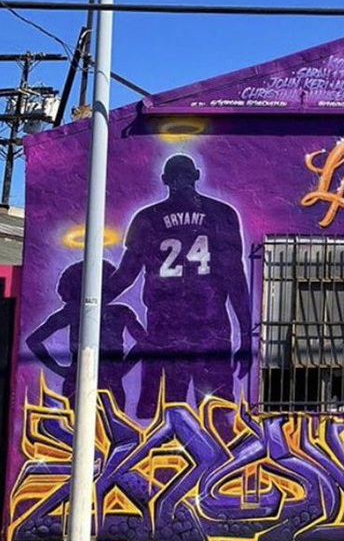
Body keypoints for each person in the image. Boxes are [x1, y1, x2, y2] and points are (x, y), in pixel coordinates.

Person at [108, 154, 252, 414]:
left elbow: (126, 275)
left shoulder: (147, 217)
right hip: (209, 328)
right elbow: (235, 278)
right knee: (215, 412)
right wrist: (245, 333)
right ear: (196, 175)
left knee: (167, 412)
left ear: (165, 180)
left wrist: (90, 297)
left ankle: (167, 454)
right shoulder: (222, 214)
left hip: (167, 328)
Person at [25, 260, 146, 408]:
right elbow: (144, 342)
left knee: (87, 426)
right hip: (99, 379)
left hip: (87, 379)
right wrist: (122, 369)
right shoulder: (118, 312)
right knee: (106, 426)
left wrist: (60, 369)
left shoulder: (76, 312)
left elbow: (33, 340)